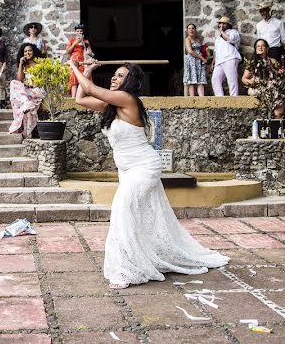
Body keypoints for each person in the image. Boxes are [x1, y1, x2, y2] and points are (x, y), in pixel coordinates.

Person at [69, 58, 229, 288]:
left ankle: (126, 271)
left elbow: (91, 88)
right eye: (114, 74)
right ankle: (142, 258)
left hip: (144, 166)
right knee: (141, 215)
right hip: (126, 169)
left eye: (120, 75)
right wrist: (88, 69)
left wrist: (74, 67)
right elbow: (80, 98)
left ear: (130, 81)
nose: (114, 77)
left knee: (122, 209)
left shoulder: (128, 100)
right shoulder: (111, 106)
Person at [242, 39, 285, 117]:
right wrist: (252, 82)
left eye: (263, 46)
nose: (260, 48)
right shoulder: (253, 63)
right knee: (273, 88)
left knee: (278, 109)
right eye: (258, 46)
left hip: (272, 86)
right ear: (255, 49)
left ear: (267, 48)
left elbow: (279, 75)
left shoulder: (272, 61)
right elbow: (244, 79)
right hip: (258, 88)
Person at [9, 43, 45, 137]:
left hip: (36, 91)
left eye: (29, 50)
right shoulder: (24, 65)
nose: (27, 53)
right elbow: (19, 81)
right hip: (26, 92)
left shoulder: (40, 62)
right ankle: (26, 103)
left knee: (26, 105)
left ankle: (27, 131)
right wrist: (21, 64)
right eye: (25, 51)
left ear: (34, 51)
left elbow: (43, 80)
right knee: (13, 83)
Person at [211, 16, 241, 96]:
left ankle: (234, 99)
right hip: (219, 60)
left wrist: (221, 32)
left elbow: (230, 39)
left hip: (230, 57)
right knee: (215, 79)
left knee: (232, 80)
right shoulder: (218, 38)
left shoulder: (233, 32)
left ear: (228, 25)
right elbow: (216, 50)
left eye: (224, 23)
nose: (221, 25)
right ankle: (220, 99)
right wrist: (214, 61)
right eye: (220, 23)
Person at [66, 23, 94, 98]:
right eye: (77, 31)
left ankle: (83, 97)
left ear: (83, 32)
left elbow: (90, 53)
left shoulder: (86, 41)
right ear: (75, 32)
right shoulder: (72, 40)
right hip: (74, 61)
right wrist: (74, 44)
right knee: (73, 79)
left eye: (81, 31)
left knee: (84, 78)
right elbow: (68, 51)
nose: (79, 33)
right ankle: (73, 98)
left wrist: (84, 45)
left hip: (83, 61)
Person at [182, 23, 207, 97]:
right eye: (189, 28)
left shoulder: (198, 39)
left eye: (192, 28)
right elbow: (190, 51)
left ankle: (201, 98)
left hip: (199, 62)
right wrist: (202, 58)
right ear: (187, 30)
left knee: (200, 81)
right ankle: (192, 99)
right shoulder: (187, 39)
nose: (191, 30)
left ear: (195, 30)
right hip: (192, 61)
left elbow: (202, 49)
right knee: (192, 81)